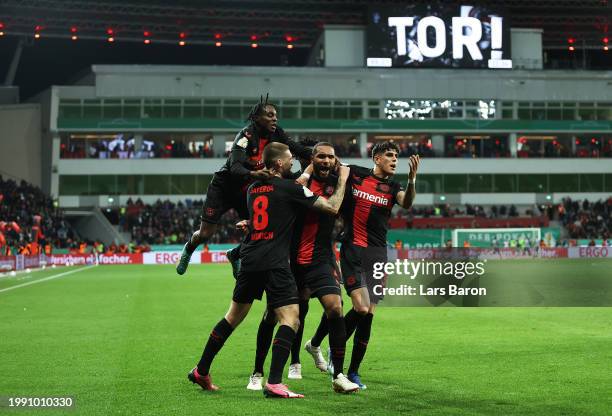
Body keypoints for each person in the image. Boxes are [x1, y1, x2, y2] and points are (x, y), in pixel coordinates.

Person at [187, 143, 350, 399]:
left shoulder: (253, 189)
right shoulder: (289, 188)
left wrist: (307, 169)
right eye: (288, 161)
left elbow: (277, 207)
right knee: (291, 319)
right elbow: (331, 208)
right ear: (277, 165)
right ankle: (274, 382)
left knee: (232, 317)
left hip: (250, 259)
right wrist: (342, 180)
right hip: (275, 263)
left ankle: (201, 369)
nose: (291, 165)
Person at [304, 142, 420, 390]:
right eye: (389, 155)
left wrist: (411, 180)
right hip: (353, 249)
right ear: (376, 158)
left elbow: (407, 202)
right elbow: (323, 163)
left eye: (396, 156)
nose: (394, 159)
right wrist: (303, 173)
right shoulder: (355, 173)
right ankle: (333, 356)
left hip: (378, 254)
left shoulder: (394, 187)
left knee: (368, 315)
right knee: (361, 306)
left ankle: (352, 370)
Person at [245, 142, 359, 394]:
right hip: (290, 259)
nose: (326, 161)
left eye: (331, 156)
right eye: (321, 156)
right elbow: (272, 203)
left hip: (322, 258)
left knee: (335, 307)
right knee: (272, 316)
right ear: (312, 159)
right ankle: (257, 371)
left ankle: (338, 375)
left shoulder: (340, 179)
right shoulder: (296, 181)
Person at [176, 95, 311, 275]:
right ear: (256, 118)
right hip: (224, 188)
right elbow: (235, 167)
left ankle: (235, 254)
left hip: (246, 191)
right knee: (205, 234)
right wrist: (254, 174)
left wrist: (317, 154)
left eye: (275, 115)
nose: (275, 118)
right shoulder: (245, 136)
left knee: (259, 228)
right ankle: (189, 249)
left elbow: (296, 148)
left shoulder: (277, 133)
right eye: (270, 115)